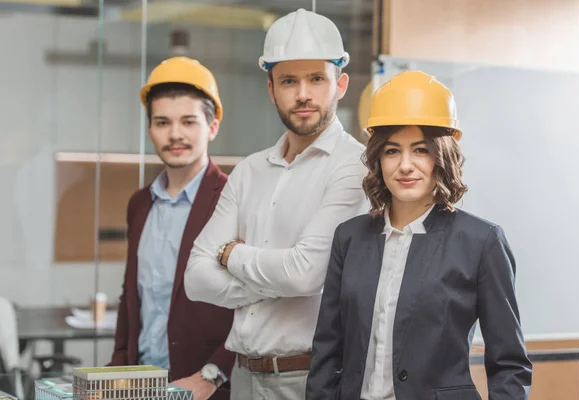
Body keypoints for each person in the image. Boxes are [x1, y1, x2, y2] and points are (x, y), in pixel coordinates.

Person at [306, 70, 533, 400]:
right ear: (378, 159)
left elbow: (509, 364)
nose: (406, 165)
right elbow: (327, 349)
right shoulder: (350, 237)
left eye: (421, 150)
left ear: (442, 156)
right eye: (393, 150)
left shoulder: (481, 241)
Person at [184, 8, 369, 400]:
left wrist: (231, 255)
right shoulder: (249, 171)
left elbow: (305, 274)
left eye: (317, 78)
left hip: (309, 379)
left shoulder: (355, 166)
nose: (303, 94)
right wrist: (276, 283)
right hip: (242, 377)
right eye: (289, 81)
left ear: (341, 84)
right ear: (271, 89)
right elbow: (195, 279)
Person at [109, 57, 235, 400]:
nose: (175, 134)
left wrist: (212, 375)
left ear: (212, 127)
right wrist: (118, 365)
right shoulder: (140, 203)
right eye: (162, 122)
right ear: (150, 129)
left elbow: (261, 306)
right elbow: (131, 296)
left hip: (208, 389)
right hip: (140, 384)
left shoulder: (235, 198)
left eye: (188, 122)